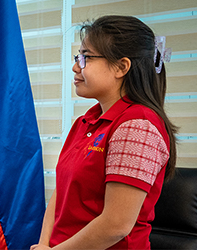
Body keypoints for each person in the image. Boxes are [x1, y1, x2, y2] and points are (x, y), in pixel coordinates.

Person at [31, 15, 177, 250]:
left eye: (86, 57)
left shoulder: (137, 125)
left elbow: (116, 225)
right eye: (78, 57)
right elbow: (61, 192)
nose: (76, 66)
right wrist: (44, 244)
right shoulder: (86, 121)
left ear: (121, 67)